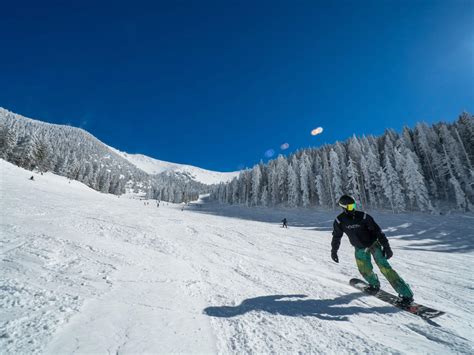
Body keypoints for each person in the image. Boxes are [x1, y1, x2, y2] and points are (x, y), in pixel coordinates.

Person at [331, 195, 414, 304]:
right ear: (344, 207)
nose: (353, 208)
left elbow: (378, 232)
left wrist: (387, 247)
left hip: (374, 245)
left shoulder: (364, 217)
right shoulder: (339, 221)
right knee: (364, 270)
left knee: (385, 269)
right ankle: (374, 284)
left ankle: (406, 294)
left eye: (354, 205)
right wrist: (334, 251)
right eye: (351, 207)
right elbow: (336, 237)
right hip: (359, 248)